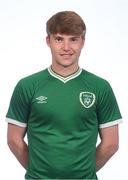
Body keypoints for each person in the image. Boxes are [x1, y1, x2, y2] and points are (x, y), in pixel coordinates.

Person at [6, 11, 122, 179]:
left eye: (73, 39)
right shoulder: (27, 86)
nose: (66, 48)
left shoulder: (100, 87)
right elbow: (13, 139)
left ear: (83, 42)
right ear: (48, 41)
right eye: (59, 39)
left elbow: (111, 144)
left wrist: (83, 174)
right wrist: (38, 172)